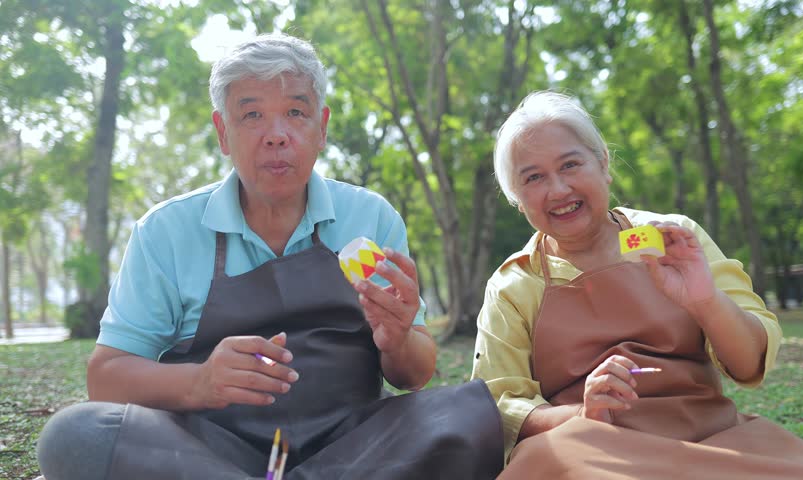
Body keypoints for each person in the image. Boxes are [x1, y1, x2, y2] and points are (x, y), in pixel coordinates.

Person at [37, 33, 502, 480]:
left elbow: (414, 376)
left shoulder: (370, 217)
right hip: (210, 449)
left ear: (321, 128)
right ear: (223, 132)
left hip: (355, 446)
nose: (276, 135)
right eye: (253, 114)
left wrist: (398, 338)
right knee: (74, 435)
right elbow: (106, 376)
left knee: (468, 414)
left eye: (295, 112)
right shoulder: (166, 231)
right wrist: (199, 382)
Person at [470, 91, 803, 479]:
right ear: (517, 199)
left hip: (709, 438)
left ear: (603, 163)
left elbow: (749, 363)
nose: (559, 190)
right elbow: (501, 404)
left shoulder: (672, 238)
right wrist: (583, 412)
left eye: (570, 164)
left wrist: (706, 301)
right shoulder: (514, 284)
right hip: (593, 449)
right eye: (533, 177)